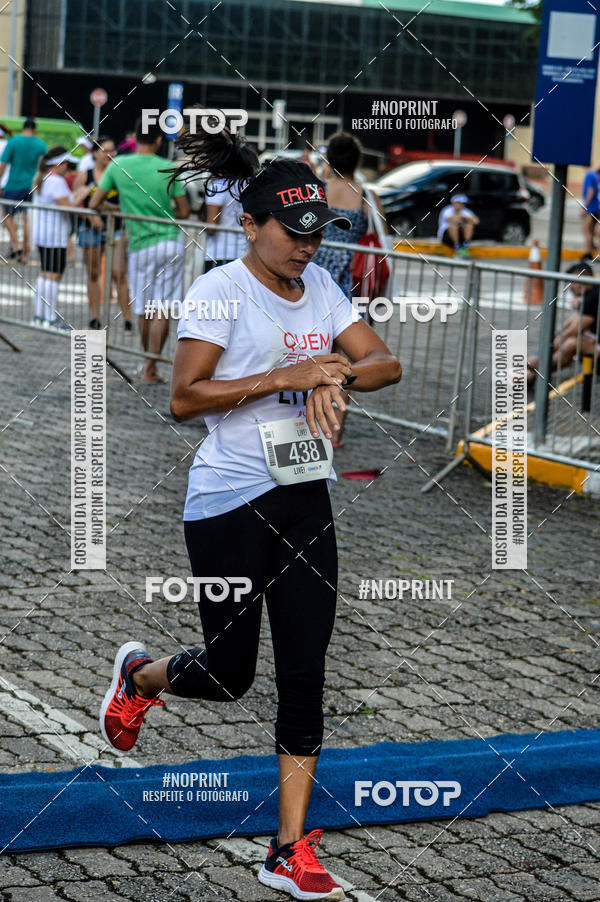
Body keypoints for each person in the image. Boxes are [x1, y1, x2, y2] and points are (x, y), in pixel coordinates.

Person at [99, 129, 402, 902]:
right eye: (293, 232)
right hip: (228, 502)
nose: (307, 246)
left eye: (317, 232)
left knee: (305, 671)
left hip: (306, 498)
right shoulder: (219, 290)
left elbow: (384, 360)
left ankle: (287, 847)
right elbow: (183, 397)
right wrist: (289, 375)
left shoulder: (325, 290)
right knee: (230, 675)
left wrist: (340, 374)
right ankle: (141, 676)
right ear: (252, 225)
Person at [89, 120, 190, 382]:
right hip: (169, 241)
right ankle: (151, 366)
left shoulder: (118, 165)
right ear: (158, 140)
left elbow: (95, 202)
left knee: (144, 309)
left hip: (139, 244)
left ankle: (148, 364)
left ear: (135, 138)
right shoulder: (168, 167)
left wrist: (120, 211)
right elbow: (184, 211)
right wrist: (167, 212)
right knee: (163, 308)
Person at [313, 131, 388, 445]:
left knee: (314, 349)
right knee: (343, 360)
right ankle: (334, 431)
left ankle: (307, 421)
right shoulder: (366, 194)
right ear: (357, 161)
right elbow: (382, 231)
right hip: (350, 276)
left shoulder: (318, 189)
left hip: (316, 271)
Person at [73, 135, 132, 331]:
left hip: (116, 230)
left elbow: (127, 204)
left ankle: (128, 319)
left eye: (112, 150)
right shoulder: (85, 175)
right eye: (105, 151)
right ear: (95, 153)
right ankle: (95, 316)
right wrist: (92, 217)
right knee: (93, 273)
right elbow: (77, 202)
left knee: (119, 273)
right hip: (90, 229)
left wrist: (106, 208)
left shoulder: (120, 174)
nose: (110, 154)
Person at [30, 147, 83, 329]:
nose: (68, 166)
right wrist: (83, 193)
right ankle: (50, 318)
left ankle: (39, 315)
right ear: (58, 164)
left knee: (45, 274)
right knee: (52, 276)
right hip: (55, 236)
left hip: (45, 234)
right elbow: (68, 206)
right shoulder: (56, 181)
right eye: (66, 163)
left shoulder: (43, 179)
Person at [527, 261, 600, 386]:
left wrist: (537, 358)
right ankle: (533, 372)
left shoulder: (594, 296)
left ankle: (534, 370)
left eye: (573, 281)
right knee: (569, 341)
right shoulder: (590, 295)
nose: (570, 286)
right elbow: (568, 326)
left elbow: (573, 330)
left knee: (572, 343)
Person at [0, 118, 46, 260]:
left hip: (13, 185)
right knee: (27, 219)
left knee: (7, 215)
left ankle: (17, 243)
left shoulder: (13, 142)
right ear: (35, 129)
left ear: (23, 128)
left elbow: (3, 164)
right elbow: (44, 166)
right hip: (31, 186)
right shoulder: (41, 145)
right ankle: (25, 254)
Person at [203, 176, 246, 270]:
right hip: (243, 254)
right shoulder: (247, 184)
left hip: (219, 253)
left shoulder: (218, 186)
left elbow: (211, 228)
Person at [581, 165, 600, 260]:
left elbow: (590, 191)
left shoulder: (589, 175)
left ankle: (588, 253)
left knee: (586, 230)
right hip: (596, 207)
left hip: (591, 208)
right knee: (592, 231)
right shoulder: (595, 176)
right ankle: (591, 251)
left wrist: (585, 206)